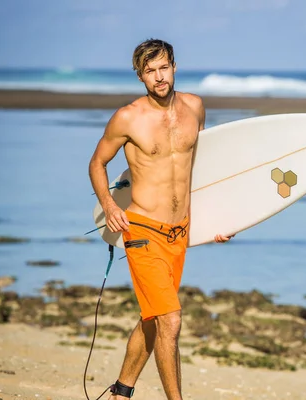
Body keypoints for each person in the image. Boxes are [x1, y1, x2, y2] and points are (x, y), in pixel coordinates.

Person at [88, 38, 234, 400]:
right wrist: (108, 204)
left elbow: (200, 170)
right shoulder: (128, 117)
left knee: (154, 317)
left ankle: (121, 391)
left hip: (179, 232)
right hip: (141, 229)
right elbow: (97, 163)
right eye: (150, 71)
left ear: (174, 66)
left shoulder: (196, 107)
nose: (159, 77)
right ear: (140, 76)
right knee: (171, 319)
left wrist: (216, 220)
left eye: (164, 67)